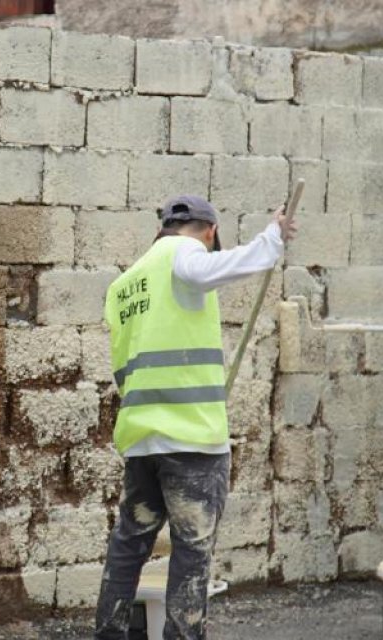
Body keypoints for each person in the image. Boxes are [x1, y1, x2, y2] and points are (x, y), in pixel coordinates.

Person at [95, 195, 298, 639]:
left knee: (129, 544)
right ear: (209, 230)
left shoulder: (126, 283)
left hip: (143, 437)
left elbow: (120, 364)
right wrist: (271, 239)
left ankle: (108, 634)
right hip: (190, 440)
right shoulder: (184, 253)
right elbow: (207, 269)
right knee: (192, 550)